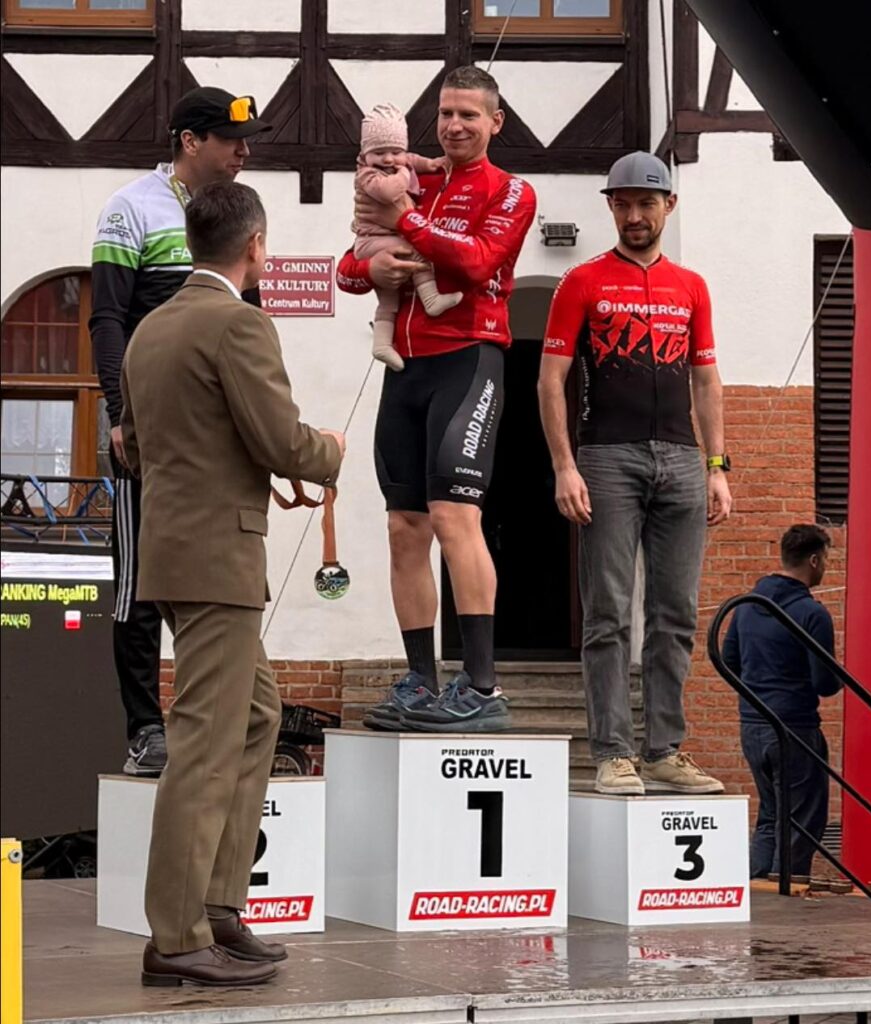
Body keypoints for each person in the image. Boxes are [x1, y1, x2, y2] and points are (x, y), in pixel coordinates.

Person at [120, 181, 344, 987]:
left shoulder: (149, 329)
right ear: (256, 247)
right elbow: (281, 441)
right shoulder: (239, 323)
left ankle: (217, 907)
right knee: (206, 747)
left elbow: (130, 447)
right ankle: (177, 936)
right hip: (220, 561)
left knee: (255, 717)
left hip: (175, 556)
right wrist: (330, 450)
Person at [336, 66, 536, 732]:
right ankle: (421, 680)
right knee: (404, 527)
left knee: (455, 518)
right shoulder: (410, 176)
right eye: (446, 114)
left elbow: (476, 262)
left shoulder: (511, 190)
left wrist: (408, 222)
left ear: (495, 122)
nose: (453, 126)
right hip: (405, 368)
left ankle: (481, 686)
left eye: (468, 115)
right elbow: (348, 266)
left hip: (469, 358)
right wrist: (372, 266)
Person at [538, 151, 732, 796]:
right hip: (606, 458)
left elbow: (706, 380)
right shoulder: (581, 281)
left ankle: (664, 751)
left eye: (646, 203)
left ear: (668, 205)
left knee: (675, 614)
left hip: (681, 458)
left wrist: (717, 466)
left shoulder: (691, 285)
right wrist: (564, 465)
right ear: (610, 207)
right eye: (622, 204)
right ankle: (614, 753)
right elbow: (550, 380)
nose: (634, 215)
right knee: (608, 614)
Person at [90, 87, 271, 777]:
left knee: (225, 575)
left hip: (216, 435)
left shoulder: (238, 212)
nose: (244, 151)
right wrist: (118, 412)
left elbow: (249, 322)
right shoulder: (131, 207)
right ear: (191, 141)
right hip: (148, 427)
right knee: (139, 581)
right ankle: (144, 727)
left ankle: (225, 715)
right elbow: (108, 319)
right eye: (231, 139)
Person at [722, 524, 841, 878]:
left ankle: (759, 890)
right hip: (795, 727)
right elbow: (825, 684)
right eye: (826, 560)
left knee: (771, 814)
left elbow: (728, 661)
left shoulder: (747, 605)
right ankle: (787, 894)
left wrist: (759, 692)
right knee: (802, 820)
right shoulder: (811, 613)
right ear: (814, 560)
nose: (826, 567)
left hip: (753, 726)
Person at [352, 102, 462, 371]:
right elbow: (389, 192)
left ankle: (381, 345)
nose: (389, 159)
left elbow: (412, 159)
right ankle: (431, 299)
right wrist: (403, 172)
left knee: (389, 297)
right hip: (369, 242)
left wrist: (431, 164)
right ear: (365, 153)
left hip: (382, 240)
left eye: (395, 152)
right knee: (416, 248)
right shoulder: (368, 174)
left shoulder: (400, 160)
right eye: (379, 153)